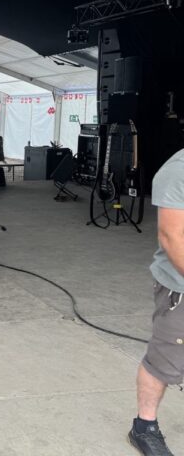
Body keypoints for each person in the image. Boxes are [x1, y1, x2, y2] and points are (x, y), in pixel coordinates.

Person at [128, 149, 184, 456]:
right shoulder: (178, 171)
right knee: (163, 361)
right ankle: (144, 427)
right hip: (180, 288)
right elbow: (172, 238)